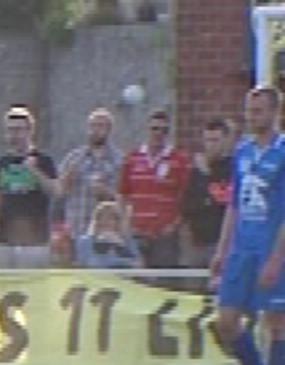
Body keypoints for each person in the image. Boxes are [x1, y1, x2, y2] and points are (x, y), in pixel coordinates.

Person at [209, 86, 285, 365]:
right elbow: (234, 206)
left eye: (258, 111)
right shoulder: (241, 152)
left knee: (276, 322)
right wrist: (222, 249)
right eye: (249, 110)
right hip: (241, 249)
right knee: (226, 321)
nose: (251, 116)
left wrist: (276, 257)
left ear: (275, 113)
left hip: (271, 246)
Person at [118, 108, 189, 268]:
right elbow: (123, 193)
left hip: (165, 235)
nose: (159, 133)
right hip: (137, 233)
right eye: (155, 129)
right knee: (136, 282)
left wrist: (174, 225)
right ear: (147, 129)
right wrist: (125, 225)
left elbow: (186, 197)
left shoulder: (179, 159)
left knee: (164, 283)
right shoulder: (132, 158)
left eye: (164, 130)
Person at [0, 106, 61, 268]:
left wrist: (34, 171)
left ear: (30, 131)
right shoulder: (3, 162)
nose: (13, 135)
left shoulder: (43, 160)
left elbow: (56, 191)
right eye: (10, 130)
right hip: (5, 239)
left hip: (34, 241)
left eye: (18, 130)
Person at [58, 107, 123, 245]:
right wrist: (68, 176)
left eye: (101, 126)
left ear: (109, 130)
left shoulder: (119, 160)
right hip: (75, 230)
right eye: (93, 126)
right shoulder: (74, 157)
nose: (96, 130)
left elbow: (123, 199)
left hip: (105, 235)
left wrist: (105, 191)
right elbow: (59, 191)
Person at [179, 117, 233, 273]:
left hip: (220, 241)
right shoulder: (197, 169)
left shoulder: (232, 168)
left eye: (215, 140)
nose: (210, 145)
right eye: (207, 140)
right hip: (197, 240)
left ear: (226, 140)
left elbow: (222, 199)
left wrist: (207, 175)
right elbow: (187, 202)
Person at [74, 201, 143, 269]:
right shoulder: (84, 241)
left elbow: (139, 265)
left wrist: (121, 247)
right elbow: (82, 266)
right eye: (101, 218)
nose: (105, 221)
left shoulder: (127, 241)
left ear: (117, 221)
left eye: (110, 218)